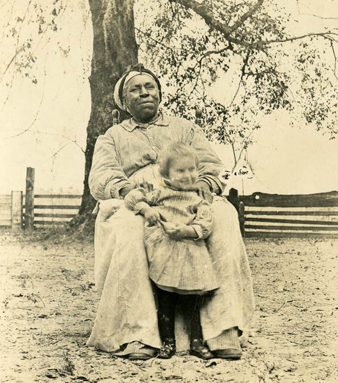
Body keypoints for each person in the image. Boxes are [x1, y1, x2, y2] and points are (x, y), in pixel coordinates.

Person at [87, 64, 254, 361]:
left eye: (149, 87)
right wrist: (127, 191)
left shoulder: (184, 128)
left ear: (160, 93)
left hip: (187, 194)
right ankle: (137, 333)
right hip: (139, 200)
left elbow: (210, 164)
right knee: (128, 230)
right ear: (124, 102)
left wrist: (204, 182)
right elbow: (101, 176)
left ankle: (222, 329)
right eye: (135, 89)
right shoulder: (112, 137)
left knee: (224, 218)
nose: (144, 93)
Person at [124, 141, 219, 360]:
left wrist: (187, 230)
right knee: (166, 299)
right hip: (166, 254)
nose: (188, 175)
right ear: (166, 174)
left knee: (193, 300)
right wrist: (146, 209)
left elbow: (205, 225)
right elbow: (132, 199)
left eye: (192, 169)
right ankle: (167, 342)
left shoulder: (198, 198)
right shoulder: (160, 193)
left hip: (192, 255)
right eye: (180, 170)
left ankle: (196, 341)